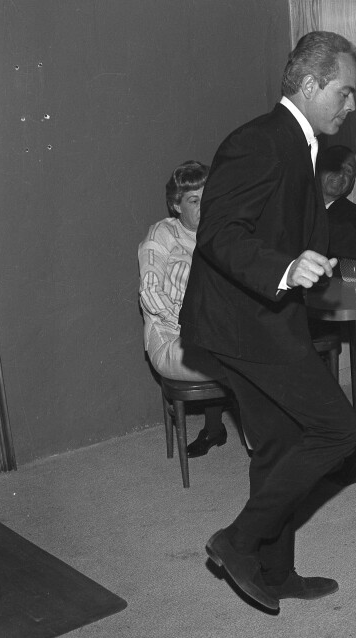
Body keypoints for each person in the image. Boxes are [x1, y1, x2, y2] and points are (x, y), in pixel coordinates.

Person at [179, 31, 356, 612]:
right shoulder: (259, 141)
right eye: (344, 91)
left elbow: (304, 227)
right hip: (244, 323)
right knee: (338, 432)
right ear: (309, 84)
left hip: (255, 318)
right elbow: (218, 234)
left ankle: (275, 571)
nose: (351, 105)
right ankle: (237, 541)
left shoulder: (299, 142)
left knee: (279, 442)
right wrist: (285, 269)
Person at [138, 160, 233, 458]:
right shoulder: (162, 234)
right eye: (194, 201)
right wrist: (190, 326)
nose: (204, 206)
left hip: (215, 335)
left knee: (251, 353)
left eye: (208, 197)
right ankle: (266, 447)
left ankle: (235, 436)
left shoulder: (223, 232)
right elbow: (149, 292)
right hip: (171, 337)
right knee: (241, 362)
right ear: (176, 205)